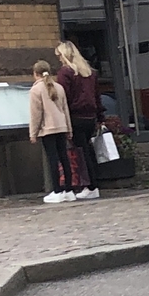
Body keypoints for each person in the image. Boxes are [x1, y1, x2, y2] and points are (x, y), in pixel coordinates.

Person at [29, 59, 90, 203]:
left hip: (47, 129)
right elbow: (65, 110)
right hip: (61, 126)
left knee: (52, 159)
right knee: (64, 158)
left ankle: (57, 190)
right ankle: (69, 190)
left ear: (35, 74)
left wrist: (33, 133)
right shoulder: (59, 87)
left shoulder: (35, 90)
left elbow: (35, 114)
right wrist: (69, 129)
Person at [55, 40, 103, 183]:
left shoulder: (65, 72)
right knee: (87, 150)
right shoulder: (89, 72)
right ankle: (93, 183)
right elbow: (97, 96)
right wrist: (100, 117)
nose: (58, 59)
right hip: (90, 117)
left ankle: (90, 185)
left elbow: (63, 97)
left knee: (80, 153)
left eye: (59, 55)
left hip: (75, 116)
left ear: (64, 55)